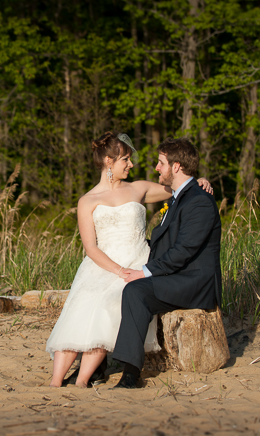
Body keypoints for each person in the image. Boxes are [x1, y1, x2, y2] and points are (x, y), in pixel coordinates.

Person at [45, 132, 213, 388]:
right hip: (103, 264)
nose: (131, 164)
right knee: (80, 308)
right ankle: (56, 381)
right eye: (126, 159)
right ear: (109, 162)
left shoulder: (139, 188)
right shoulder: (87, 200)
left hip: (136, 260)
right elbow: (90, 247)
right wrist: (117, 269)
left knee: (107, 305)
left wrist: (200, 180)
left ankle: (82, 380)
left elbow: (180, 187)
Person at [111, 137, 222, 389]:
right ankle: (106, 365)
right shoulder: (179, 197)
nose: (156, 168)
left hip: (194, 282)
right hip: (176, 277)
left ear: (177, 166)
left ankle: (130, 373)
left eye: (161, 163)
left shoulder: (199, 201)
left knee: (136, 290)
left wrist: (145, 272)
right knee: (124, 287)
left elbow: (184, 251)